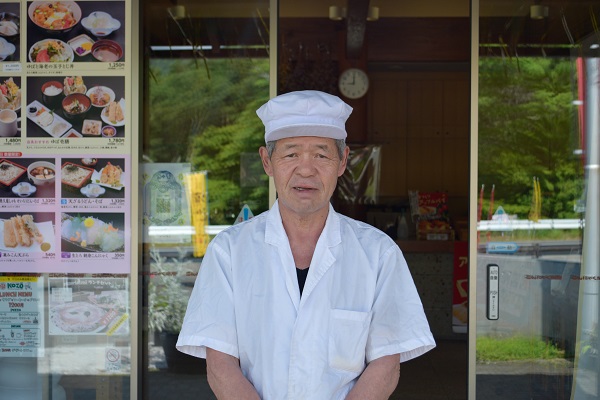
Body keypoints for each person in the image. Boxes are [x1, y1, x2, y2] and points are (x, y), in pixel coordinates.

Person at [176, 90, 436, 399]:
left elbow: (386, 362)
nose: (306, 169)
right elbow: (220, 364)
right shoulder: (229, 252)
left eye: (321, 154)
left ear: (342, 161)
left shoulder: (378, 253)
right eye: (290, 153)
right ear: (267, 161)